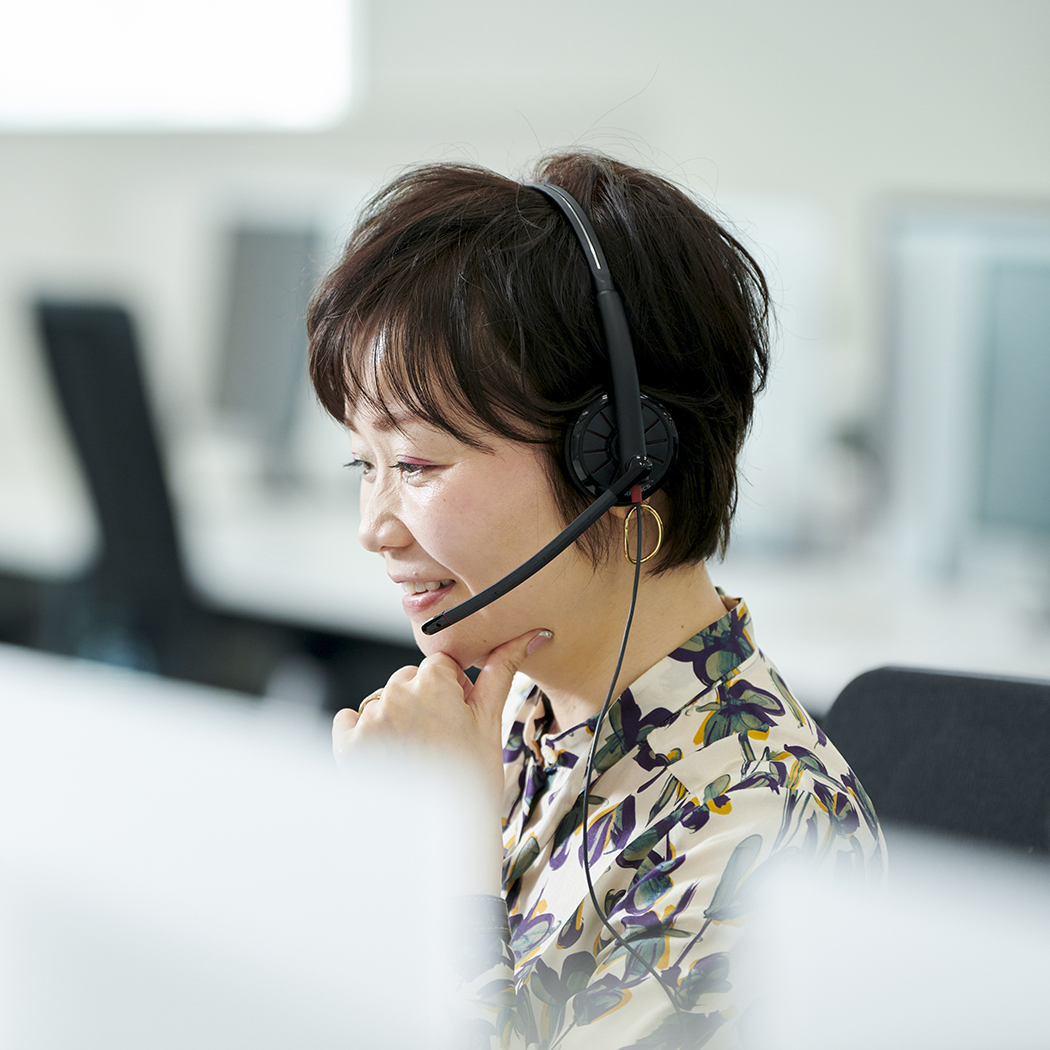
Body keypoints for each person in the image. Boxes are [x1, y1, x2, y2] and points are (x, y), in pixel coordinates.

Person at [307, 152, 886, 1049]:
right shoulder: (502, 718)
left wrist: (434, 854)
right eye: (364, 465)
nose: (373, 527)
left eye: (415, 465)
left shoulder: (753, 824)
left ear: (619, 461)